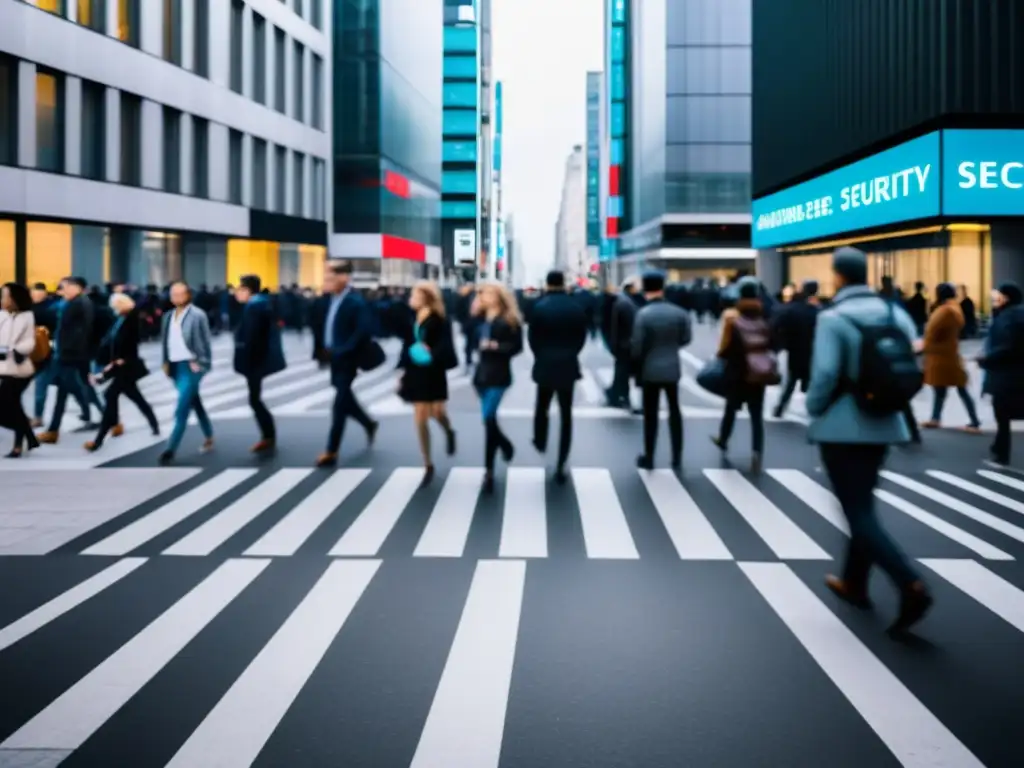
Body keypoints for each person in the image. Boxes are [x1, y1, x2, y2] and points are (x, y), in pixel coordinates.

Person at [805, 246, 932, 636]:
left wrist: (814, 406)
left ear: (838, 276)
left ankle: (909, 582)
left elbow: (825, 373)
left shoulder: (833, 318)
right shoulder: (895, 314)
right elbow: (913, 357)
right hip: (885, 422)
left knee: (857, 508)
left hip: (843, 425)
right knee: (862, 503)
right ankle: (854, 583)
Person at [312, 260, 379, 468]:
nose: (327, 282)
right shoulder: (329, 299)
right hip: (333, 357)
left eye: (331, 278)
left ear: (344, 278)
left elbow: (362, 331)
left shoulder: (355, 301)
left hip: (347, 359)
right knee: (345, 398)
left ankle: (331, 450)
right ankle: (369, 423)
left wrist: (343, 350)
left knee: (339, 404)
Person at [528, 270, 589, 483]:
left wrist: (541, 355)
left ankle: (540, 439)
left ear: (547, 283)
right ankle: (562, 462)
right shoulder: (575, 307)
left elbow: (532, 338)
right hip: (568, 365)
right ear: (564, 283)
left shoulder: (540, 307)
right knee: (566, 414)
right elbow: (582, 337)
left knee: (541, 406)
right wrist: (571, 353)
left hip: (545, 363)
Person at [712, 277, 777, 473]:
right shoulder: (765, 316)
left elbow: (724, 348)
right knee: (756, 415)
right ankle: (757, 452)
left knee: (730, 409)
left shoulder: (733, 318)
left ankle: (723, 440)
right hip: (758, 372)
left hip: (736, 372)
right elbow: (771, 343)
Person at [630, 270, 691, 470]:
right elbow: (686, 339)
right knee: (674, 411)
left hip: (649, 369)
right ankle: (677, 456)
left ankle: (649, 456)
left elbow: (637, 346)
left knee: (651, 414)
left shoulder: (643, 314)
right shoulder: (679, 312)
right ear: (662, 288)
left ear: (646, 289)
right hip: (672, 366)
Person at [398, 281, 457, 485]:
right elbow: (407, 344)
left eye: (414, 294)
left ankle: (449, 431)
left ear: (425, 297)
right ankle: (428, 463)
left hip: (434, 370)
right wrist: (402, 372)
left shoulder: (440, 319)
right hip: (416, 371)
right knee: (421, 416)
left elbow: (446, 344)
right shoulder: (412, 318)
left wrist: (432, 352)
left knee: (438, 412)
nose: (411, 298)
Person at [84, 293, 159, 451]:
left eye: (116, 306)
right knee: (135, 397)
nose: (113, 309)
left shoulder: (131, 319)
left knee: (110, 395)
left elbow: (132, 342)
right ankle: (153, 423)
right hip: (119, 365)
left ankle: (99, 440)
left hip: (127, 366)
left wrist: (122, 359)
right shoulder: (120, 320)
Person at [472, 282, 523, 493]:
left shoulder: (509, 320)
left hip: (499, 375)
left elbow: (517, 347)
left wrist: (496, 347)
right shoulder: (481, 319)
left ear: (500, 296)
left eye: (490, 293)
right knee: (489, 423)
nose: (485, 296)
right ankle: (494, 461)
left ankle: (492, 467)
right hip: (481, 376)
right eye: (483, 293)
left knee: (488, 418)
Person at [158, 282, 214, 465]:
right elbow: (165, 342)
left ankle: (170, 449)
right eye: (173, 294)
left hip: (192, 367)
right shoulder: (168, 316)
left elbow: (205, 341)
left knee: (182, 407)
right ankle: (209, 435)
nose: (176, 297)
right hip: (175, 367)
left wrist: (202, 363)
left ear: (188, 294)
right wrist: (165, 362)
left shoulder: (198, 315)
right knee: (194, 402)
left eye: (180, 294)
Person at [37, 277, 96, 444]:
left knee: (71, 388)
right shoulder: (76, 303)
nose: (63, 291)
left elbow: (79, 332)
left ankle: (101, 416)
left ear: (75, 287)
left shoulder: (79, 304)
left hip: (70, 355)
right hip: (69, 354)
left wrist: (65, 351)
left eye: (65, 287)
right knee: (64, 391)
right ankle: (53, 430)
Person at [919, 282, 981, 432]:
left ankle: (972, 420)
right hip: (949, 354)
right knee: (951, 389)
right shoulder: (954, 309)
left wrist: (923, 346)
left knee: (948, 389)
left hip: (941, 356)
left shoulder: (945, 311)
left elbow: (932, 332)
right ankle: (938, 418)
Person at [233, 275, 285, 454]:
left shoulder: (254, 307)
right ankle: (268, 436)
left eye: (239, 289)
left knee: (254, 399)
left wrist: (247, 362)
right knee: (254, 398)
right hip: (259, 360)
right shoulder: (263, 303)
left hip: (254, 361)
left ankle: (268, 436)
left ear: (247, 290)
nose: (236, 293)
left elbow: (252, 338)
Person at [978, 282, 1024, 467]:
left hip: (1007, 374)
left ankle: (1001, 452)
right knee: (1003, 413)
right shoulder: (1011, 315)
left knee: (1002, 413)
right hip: (1011, 373)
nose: (994, 299)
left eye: (998, 296)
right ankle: (998, 448)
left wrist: (988, 358)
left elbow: (1009, 346)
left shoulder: (1009, 318)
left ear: (1006, 298)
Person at [0, 283, 40, 457]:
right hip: (3, 367)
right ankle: (27, 437)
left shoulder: (27, 316)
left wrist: (16, 349)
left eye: (6, 296)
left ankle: (22, 442)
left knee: (10, 405)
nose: (3, 299)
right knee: (14, 406)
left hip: (20, 369)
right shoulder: (2, 316)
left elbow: (29, 341)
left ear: (15, 298)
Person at [771, 279, 820, 418]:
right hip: (811, 349)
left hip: (794, 349)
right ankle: (815, 411)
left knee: (791, 381)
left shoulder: (792, 308)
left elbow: (778, 326)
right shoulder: (816, 310)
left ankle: (780, 408)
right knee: (810, 382)